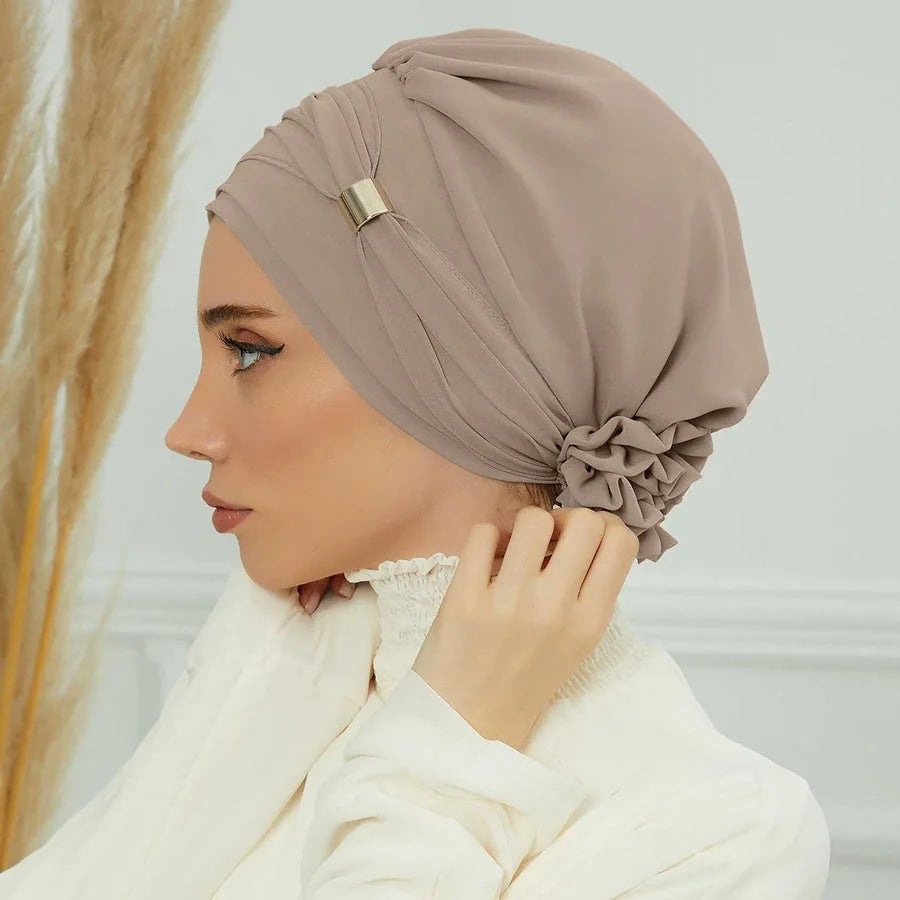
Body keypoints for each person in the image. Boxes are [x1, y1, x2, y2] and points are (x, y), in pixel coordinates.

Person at [0, 27, 830, 898]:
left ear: (462, 375)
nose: (187, 430)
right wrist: (268, 661)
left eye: (249, 351)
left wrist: (455, 740)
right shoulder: (291, 663)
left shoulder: (721, 836)